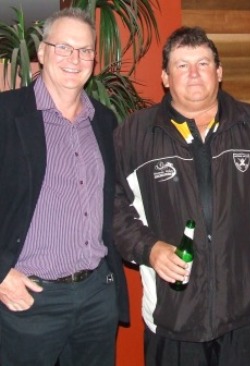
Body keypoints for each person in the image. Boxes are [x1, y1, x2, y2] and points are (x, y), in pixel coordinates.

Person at [113, 26, 250, 366]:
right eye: (182, 65)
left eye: (203, 63)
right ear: (166, 77)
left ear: (219, 72)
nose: (194, 74)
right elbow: (115, 210)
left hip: (242, 313)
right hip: (173, 316)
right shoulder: (134, 135)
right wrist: (149, 249)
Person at [0, 8, 129, 366]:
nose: (75, 59)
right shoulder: (6, 115)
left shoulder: (104, 121)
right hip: (29, 299)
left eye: (85, 50)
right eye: (64, 47)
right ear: (41, 53)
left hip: (95, 297)